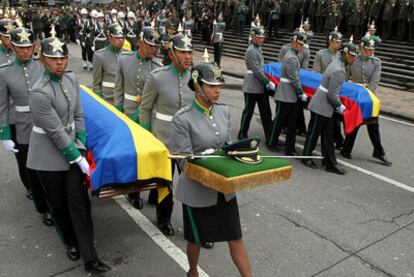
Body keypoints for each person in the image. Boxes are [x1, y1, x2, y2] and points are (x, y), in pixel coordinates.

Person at [27, 36, 111, 274]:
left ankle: (90, 257)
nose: (60, 63)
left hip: (74, 150)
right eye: (54, 59)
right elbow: (54, 132)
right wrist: (78, 157)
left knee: (79, 203)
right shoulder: (39, 92)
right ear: (43, 60)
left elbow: (79, 115)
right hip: (47, 156)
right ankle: (70, 241)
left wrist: (82, 145)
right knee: (59, 205)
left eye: (63, 58)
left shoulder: (71, 79)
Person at [169, 62, 252, 277]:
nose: (217, 90)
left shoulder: (223, 112)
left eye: (219, 86)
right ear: (197, 86)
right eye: (211, 85)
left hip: (223, 189)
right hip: (197, 190)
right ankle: (193, 271)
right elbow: (183, 163)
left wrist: (240, 155)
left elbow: (227, 145)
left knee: (235, 236)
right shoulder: (182, 118)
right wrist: (203, 161)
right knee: (195, 239)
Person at [139, 33, 194, 237]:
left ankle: (195, 229)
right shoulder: (158, 77)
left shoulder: (195, 77)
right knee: (165, 184)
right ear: (171, 53)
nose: (188, 56)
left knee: (192, 186)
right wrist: (146, 136)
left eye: (190, 52)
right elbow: (145, 109)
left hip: (187, 142)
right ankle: (164, 220)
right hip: (162, 139)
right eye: (182, 52)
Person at [0, 27, 52, 225]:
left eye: (29, 47)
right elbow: (2, 104)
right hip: (21, 127)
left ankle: (53, 201)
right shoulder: (4, 72)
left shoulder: (42, 66)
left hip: (46, 125)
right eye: (20, 47)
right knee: (30, 169)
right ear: (13, 47)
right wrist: (4, 133)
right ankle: (43, 207)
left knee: (49, 167)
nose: (25, 51)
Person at [114, 26, 162, 209]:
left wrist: (140, 115)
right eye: (150, 46)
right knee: (133, 156)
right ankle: (133, 192)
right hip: (126, 113)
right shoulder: (124, 59)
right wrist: (119, 111)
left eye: (156, 47)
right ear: (140, 42)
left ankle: (153, 191)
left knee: (149, 155)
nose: (154, 50)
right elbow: (119, 87)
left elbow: (155, 99)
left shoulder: (158, 68)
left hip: (146, 117)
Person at [302, 42, 358, 174]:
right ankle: (306, 157)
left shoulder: (338, 63)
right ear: (345, 54)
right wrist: (341, 107)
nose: (354, 59)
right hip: (322, 105)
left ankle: (329, 162)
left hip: (324, 104)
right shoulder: (339, 70)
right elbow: (332, 94)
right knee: (314, 133)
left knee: (328, 134)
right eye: (352, 56)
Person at [341, 36, 392, 166]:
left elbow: (373, 85)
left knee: (373, 125)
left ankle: (379, 152)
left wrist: (360, 91)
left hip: (369, 99)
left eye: (372, 49)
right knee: (354, 123)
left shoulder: (376, 63)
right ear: (361, 49)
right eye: (368, 49)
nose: (371, 52)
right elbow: (346, 79)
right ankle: (346, 149)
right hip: (356, 99)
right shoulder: (353, 60)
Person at [267, 31, 308, 155]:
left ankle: (288, 147)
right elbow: (294, 79)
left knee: (291, 122)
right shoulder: (291, 58)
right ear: (294, 43)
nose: (301, 47)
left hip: (289, 94)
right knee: (280, 121)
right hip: (286, 94)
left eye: (302, 45)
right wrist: (301, 93)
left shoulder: (292, 55)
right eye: (300, 44)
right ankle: (271, 142)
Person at [238, 25, 274, 144]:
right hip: (252, 85)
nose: (261, 40)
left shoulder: (257, 48)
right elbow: (257, 70)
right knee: (248, 111)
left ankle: (270, 136)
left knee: (266, 112)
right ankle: (242, 133)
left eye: (262, 38)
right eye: (259, 37)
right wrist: (267, 82)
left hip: (259, 85)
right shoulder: (251, 50)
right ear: (253, 37)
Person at [92, 23, 125, 103]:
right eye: (117, 38)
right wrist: (99, 102)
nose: (121, 40)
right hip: (107, 100)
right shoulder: (100, 56)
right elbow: (96, 84)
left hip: (123, 101)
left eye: (122, 38)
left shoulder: (127, 55)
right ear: (109, 38)